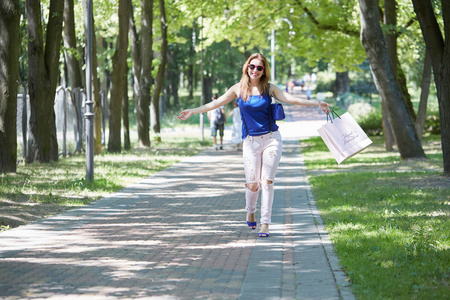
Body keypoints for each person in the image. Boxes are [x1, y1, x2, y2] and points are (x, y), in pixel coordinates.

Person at [178, 53, 330, 237]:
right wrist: (193, 111)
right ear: (246, 68)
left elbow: (290, 99)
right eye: (252, 66)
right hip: (250, 142)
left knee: (267, 182)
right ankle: (250, 210)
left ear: (264, 70)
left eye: (259, 67)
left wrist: (317, 103)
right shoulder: (238, 89)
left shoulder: (269, 88)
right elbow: (216, 103)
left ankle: (265, 223)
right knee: (252, 184)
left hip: (272, 139)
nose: (255, 70)